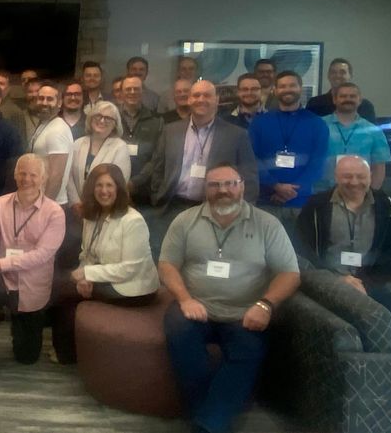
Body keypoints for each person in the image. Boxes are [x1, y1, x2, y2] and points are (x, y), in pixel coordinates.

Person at [158, 163, 300, 433]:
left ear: (242, 187)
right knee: (178, 333)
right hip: (195, 306)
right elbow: (167, 265)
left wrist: (265, 305)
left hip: (245, 311)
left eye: (230, 184)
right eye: (215, 185)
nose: (223, 190)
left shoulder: (267, 224)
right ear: (205, 189)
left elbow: (290, 274)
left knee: (249, 350)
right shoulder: (185, 221)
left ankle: (205, 424)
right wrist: (185, 299)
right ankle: (211, 420)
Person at [54, 164, 160, 364]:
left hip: (134, 288)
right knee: (64, 287)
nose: (104, 191)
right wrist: (84, 276)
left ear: (119, 188)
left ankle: (68, 355)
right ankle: (69, 352)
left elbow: (130, 269)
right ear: (92, 189)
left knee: (64, 294)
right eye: (99, 185)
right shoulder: (91, 216)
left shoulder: (132, 220)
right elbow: (87, 253)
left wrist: (88, 274)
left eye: (109, 185)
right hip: (106, 276)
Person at [0, 154, 66, 365]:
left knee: (26, 357)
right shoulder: (0, 204)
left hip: (32, 283)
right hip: (1, 276)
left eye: (33, 175)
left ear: (43, 178)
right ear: (14, 174)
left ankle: (16, 321)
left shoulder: (55, 212)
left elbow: (42, 255)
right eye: (22, 173)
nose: (26, 179)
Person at [295, 155, 391, 328]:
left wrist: (366, 283)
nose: (354, 182)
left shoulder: (388, 206)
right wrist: (335, 279)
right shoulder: (316, 205)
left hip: (368, 283)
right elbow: (303, 249)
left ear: (370, 177)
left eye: (360, 176)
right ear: (336, 177)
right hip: (325, 282)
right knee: (328, 328)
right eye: (347, 176)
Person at [141, 80, 259, 254]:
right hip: (172, 207)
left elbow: (249, 176)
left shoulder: (236, 135)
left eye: (207, 95)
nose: (201, 99)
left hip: (214, 209)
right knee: (167, 254)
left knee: (203, 256)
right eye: (196, 95)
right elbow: (158, 166)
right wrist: (157, 195)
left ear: (217, 100)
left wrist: (240, 213)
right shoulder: (170, 131)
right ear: (189, 100)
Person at [249, 71, 329, 233]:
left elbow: (318, 162)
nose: (288, 89)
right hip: (267, 201)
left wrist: (291, 191)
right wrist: (275, 185)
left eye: (292, 85)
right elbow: (252, 158)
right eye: (283, 86)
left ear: (300, 88)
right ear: (275, 90)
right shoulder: (259, 123)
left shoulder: (316, 123)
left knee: (301, 246)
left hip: (302, 203)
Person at [316, 82, 390, 192]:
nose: (348, 99)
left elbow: (379, 166)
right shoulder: (317, 126)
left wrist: (372, 194)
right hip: (321, 191)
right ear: (334, 100)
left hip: (358, 192)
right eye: (343, 96)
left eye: (352, 96)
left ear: (360, 100)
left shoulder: (373, 131)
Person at [66, 101, 131, 208]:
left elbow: (119, 182)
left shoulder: (120, 147)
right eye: (98, 116)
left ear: (115, 124)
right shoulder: (77, 144)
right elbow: (68, 177)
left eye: (108, 118)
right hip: (76, 208)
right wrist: (76, 203)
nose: (102, 120)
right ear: (91, 118)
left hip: (105, 208)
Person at [119, 76, 165, 204]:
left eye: (136, 89)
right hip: (115, 187)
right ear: (121, 93)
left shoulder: (157, 121)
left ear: (143, 92)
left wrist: (135, 182)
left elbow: (157, 157)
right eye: (128, 89)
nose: (132, 92)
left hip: (145, 190)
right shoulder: (112, 118)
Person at [28, 82, 73, 207]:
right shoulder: (45, 124)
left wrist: (44, 207)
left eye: (49, 99)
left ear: (59, 103)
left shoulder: (58, 129)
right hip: (37, 199)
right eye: (41, 98)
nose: (44, 103)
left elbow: (56, 175)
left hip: (52, 203)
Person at [306, 58, 378, 122]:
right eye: (333, 72)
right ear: (328, 76)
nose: (337, 75)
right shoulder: (315, 103)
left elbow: (371, 130)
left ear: (350, 76)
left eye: (342, 72)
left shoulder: (365, 106)